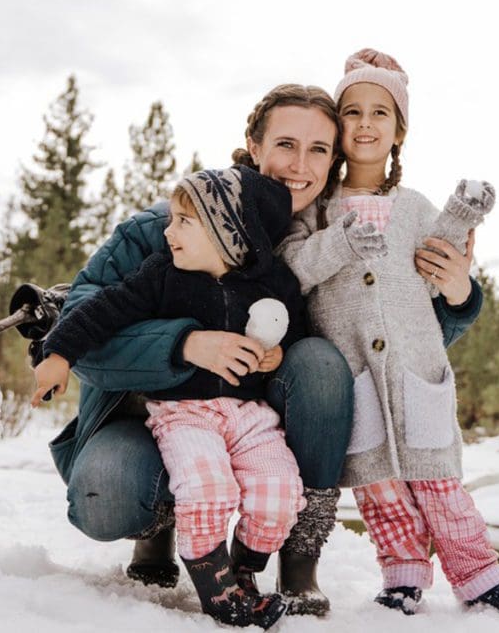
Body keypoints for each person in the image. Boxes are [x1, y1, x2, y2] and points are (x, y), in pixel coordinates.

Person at [44, 83, 483, 618]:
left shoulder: (335, 235)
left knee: (322, 363)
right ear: (253, 146)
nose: (300, 164)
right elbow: (79, 326)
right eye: (285, 144)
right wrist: (185, 343)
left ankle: (298, 561)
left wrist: (459, 296)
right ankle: (158, 526)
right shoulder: (170, 227)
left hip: (257, 418)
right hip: (152, 416)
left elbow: (394, 341)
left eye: (319, 149)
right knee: (107, 492)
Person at [277, 49, 499, 616]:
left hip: (417, 369)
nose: (366, 124)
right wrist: (342, 240)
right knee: (379, 486)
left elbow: (444, 260)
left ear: (400, 131)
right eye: (353, 112)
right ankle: (402, 575)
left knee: (438, 480)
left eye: (381, 113)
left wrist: (464, 217)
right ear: (337, 125)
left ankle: (479, 575)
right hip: (354, 373)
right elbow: (292, 268)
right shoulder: (316, 210)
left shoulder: (414, 206)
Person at [31, 166, 304, 628]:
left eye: (183, 221)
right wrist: (58, 353)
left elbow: (297, 327)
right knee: (207, 488)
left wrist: (275, 357)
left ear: (227, 233)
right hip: (185, 414)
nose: (169, 231)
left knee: (280, 489)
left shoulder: (270, 283)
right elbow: (103, 310)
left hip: (247, 414)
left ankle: (243, 569)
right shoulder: (162, 275)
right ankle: (216, 588)